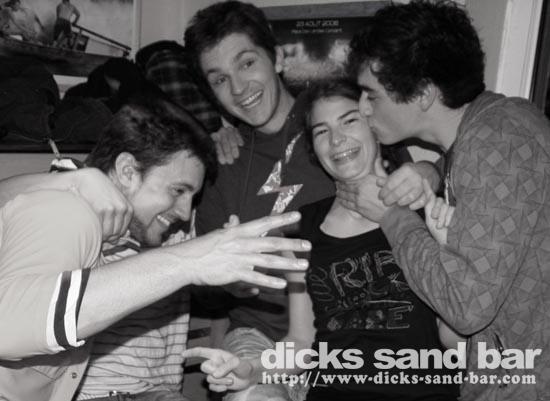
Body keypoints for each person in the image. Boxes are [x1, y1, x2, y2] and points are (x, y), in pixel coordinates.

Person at [184, 2, 441, 400]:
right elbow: (204, 289)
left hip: (356, 343)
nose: (238, 88)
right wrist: (231, 280)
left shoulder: (343, 125)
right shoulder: (223, 160)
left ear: (277, 58)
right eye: (219, 79)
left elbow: (410, 185)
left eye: (247, 63)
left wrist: (432, 172)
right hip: (263, 337)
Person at [0, 95, 312, 401]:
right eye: (177, 190)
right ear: (127, 171)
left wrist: (221, 279)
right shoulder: (69, 211)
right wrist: (189, 261)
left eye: (191, 197)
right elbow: (8, 326)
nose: (186, 212)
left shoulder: (149, 224)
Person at [335, 1, 550, 400]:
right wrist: (432, 170)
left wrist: (392, 216)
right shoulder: (496, 126)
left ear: (423, 93)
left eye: (371, 95)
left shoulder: (497, 142)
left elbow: (466, 306)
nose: (362, 109)